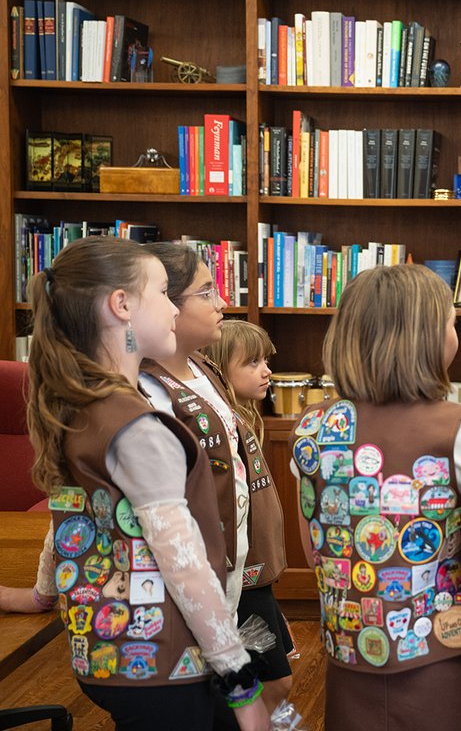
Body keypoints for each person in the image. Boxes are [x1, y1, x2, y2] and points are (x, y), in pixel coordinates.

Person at [24, 236, 268, 730]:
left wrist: (40, 591)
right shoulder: (132, 423)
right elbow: (184, 564)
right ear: (122, 305)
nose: (175, 310)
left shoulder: (79, 404)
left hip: (105, 651)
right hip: (165, 662)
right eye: (162, 293)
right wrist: (242, 687)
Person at [292, 264, 461, 731]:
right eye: (450, 322)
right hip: (446, 656)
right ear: (425, 338)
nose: (455, 332)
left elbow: (316, 547)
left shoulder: (312, 427)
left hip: (350, 650)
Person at [137, 243, 291, 725]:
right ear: (165, 306)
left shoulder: (204, 369)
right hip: (200, 579)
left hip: (236, 569)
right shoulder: (150, 389)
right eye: (206, 292)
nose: (221, 302)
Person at [203, 319, 275, 445]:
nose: (267, 371)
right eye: (254, 361)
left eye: (265, 360)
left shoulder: (239, 419)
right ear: (220, 368)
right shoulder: (220, 426)